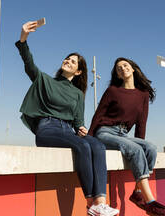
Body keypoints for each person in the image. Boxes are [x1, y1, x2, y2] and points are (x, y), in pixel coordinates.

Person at [15, 21, 119, 216]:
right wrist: (23, 39)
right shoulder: (45, 80)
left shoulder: (78, 94)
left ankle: (101, 201)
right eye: (67, 59)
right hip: (47, 129)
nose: (68, 62)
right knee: (83, 146)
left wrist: (81, 128)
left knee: (97, 145)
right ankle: (91, 203)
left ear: (78, 71)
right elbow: (29, 64)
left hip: (68, 132)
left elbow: (79, 121)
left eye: (73, 62)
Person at [89, 57, 165, 216]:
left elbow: (142, 123)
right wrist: (89, 137)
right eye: (118, 68)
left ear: (133, 68)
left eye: (125, 65)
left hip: (123, 134)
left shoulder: (143, 95)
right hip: (105, 131)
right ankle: (150, 202)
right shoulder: (113, 90)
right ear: (118, 75)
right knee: (135, 149)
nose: (122, 68)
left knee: (150, 148)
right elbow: (98, 115)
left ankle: (136, 192)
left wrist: (141, 142)